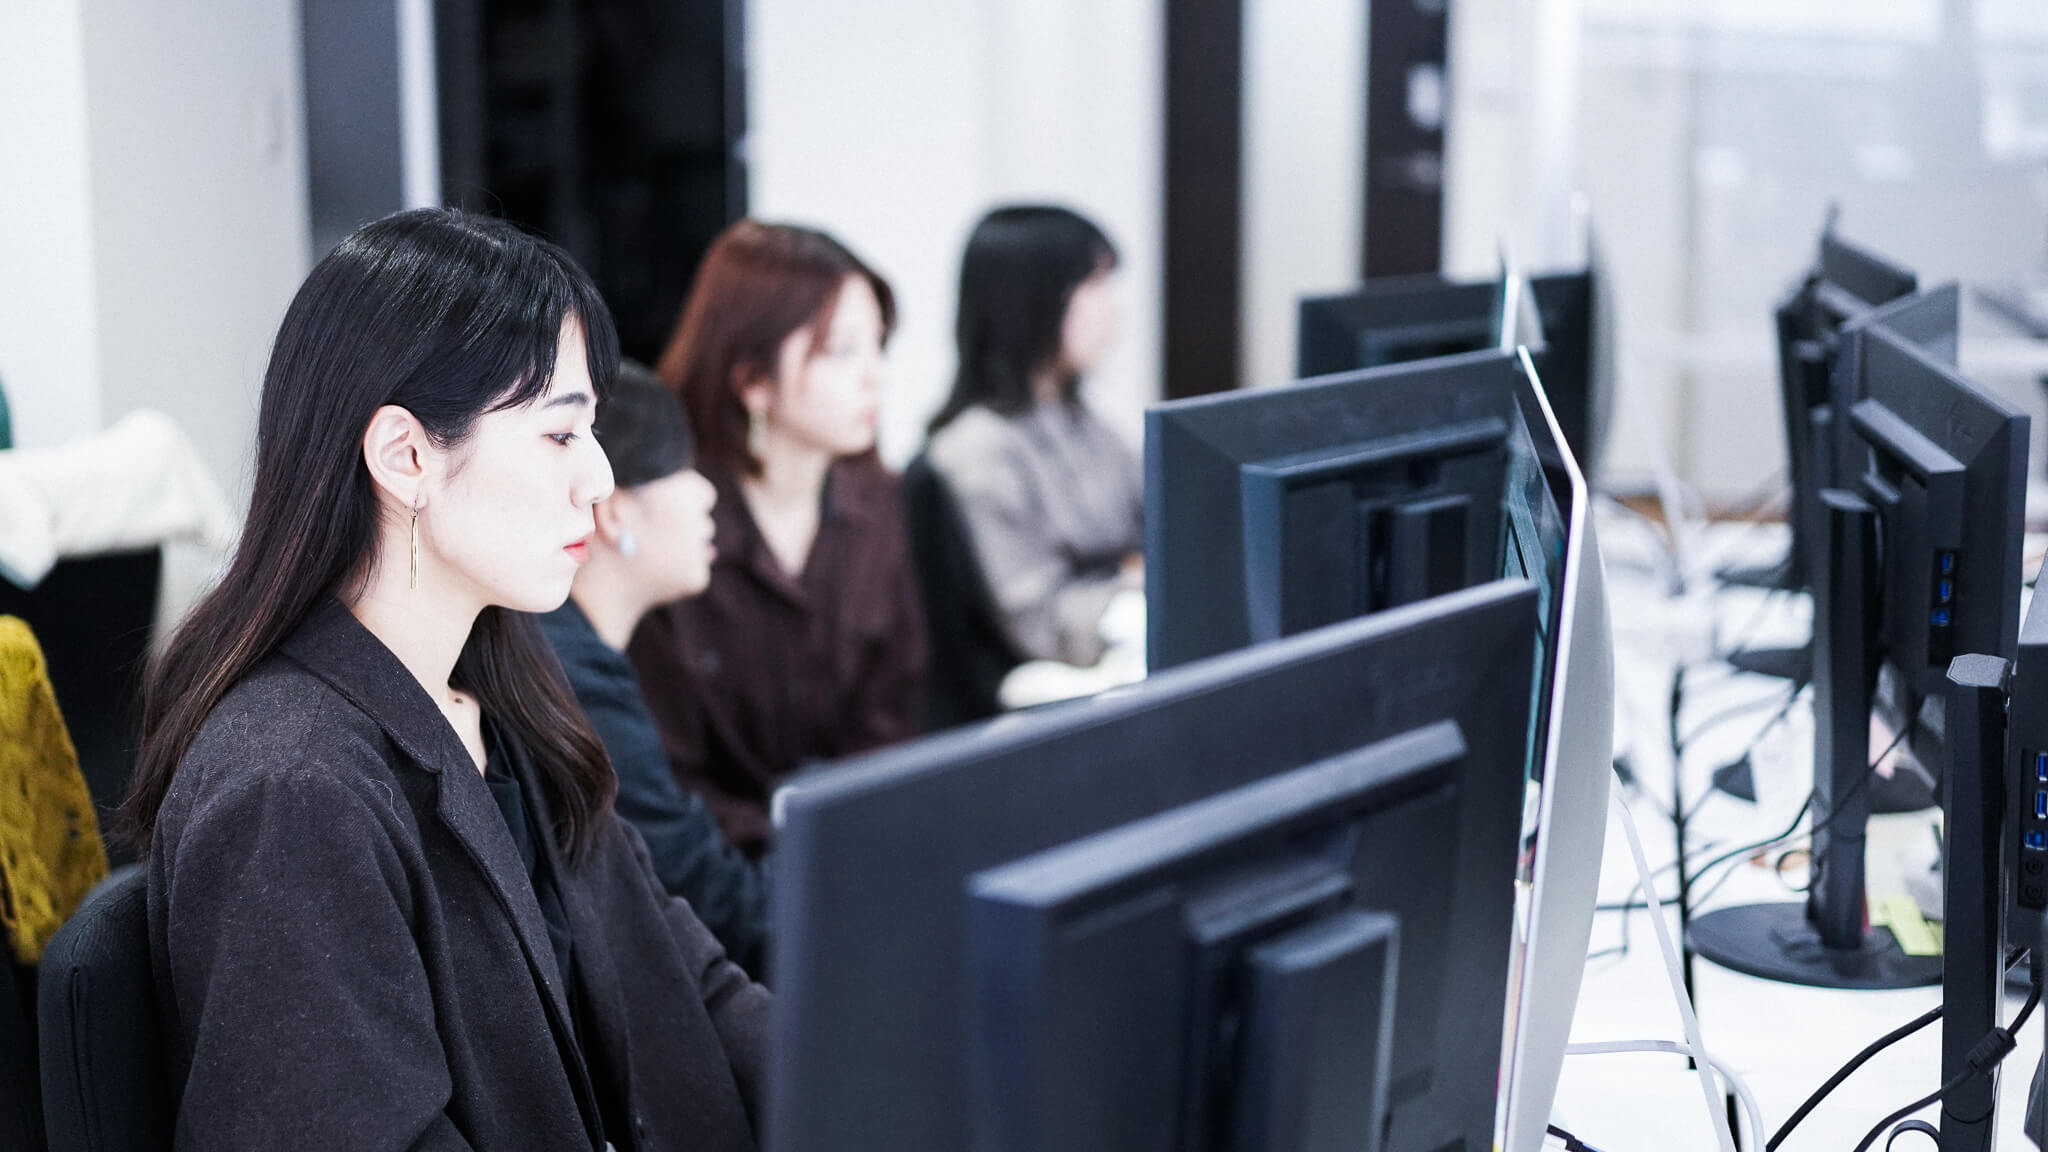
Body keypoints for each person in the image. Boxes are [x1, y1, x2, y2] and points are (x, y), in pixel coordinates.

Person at [124, 208, 767, 1150]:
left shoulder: (507, 696)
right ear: (408, 456)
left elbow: (685, 980)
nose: (599, 479)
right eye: (561, 434)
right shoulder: (291, 788)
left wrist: (882, 1084)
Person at [630, 220, 924, 858]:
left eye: (878, 346)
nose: (874, 376)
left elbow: (898, 712)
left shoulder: (882, 501)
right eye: (842, 352)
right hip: (713, 872)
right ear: (752, 380)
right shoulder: (669, 519)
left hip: (866, 849)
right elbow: (661, 775)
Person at [535, 360, 770, 977]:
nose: (708, 492)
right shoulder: (573, 678)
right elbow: (701, 893)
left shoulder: (573, 650)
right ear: (613, 510)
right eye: (682, 466)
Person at [924, 205, 1143, 669]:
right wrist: (1131, 587)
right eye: (1094, 284)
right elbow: (1040, 620)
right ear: (1033, 297)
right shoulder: (980, 448)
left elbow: (1155, 526)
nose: (1112, 307)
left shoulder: (1085, 421)